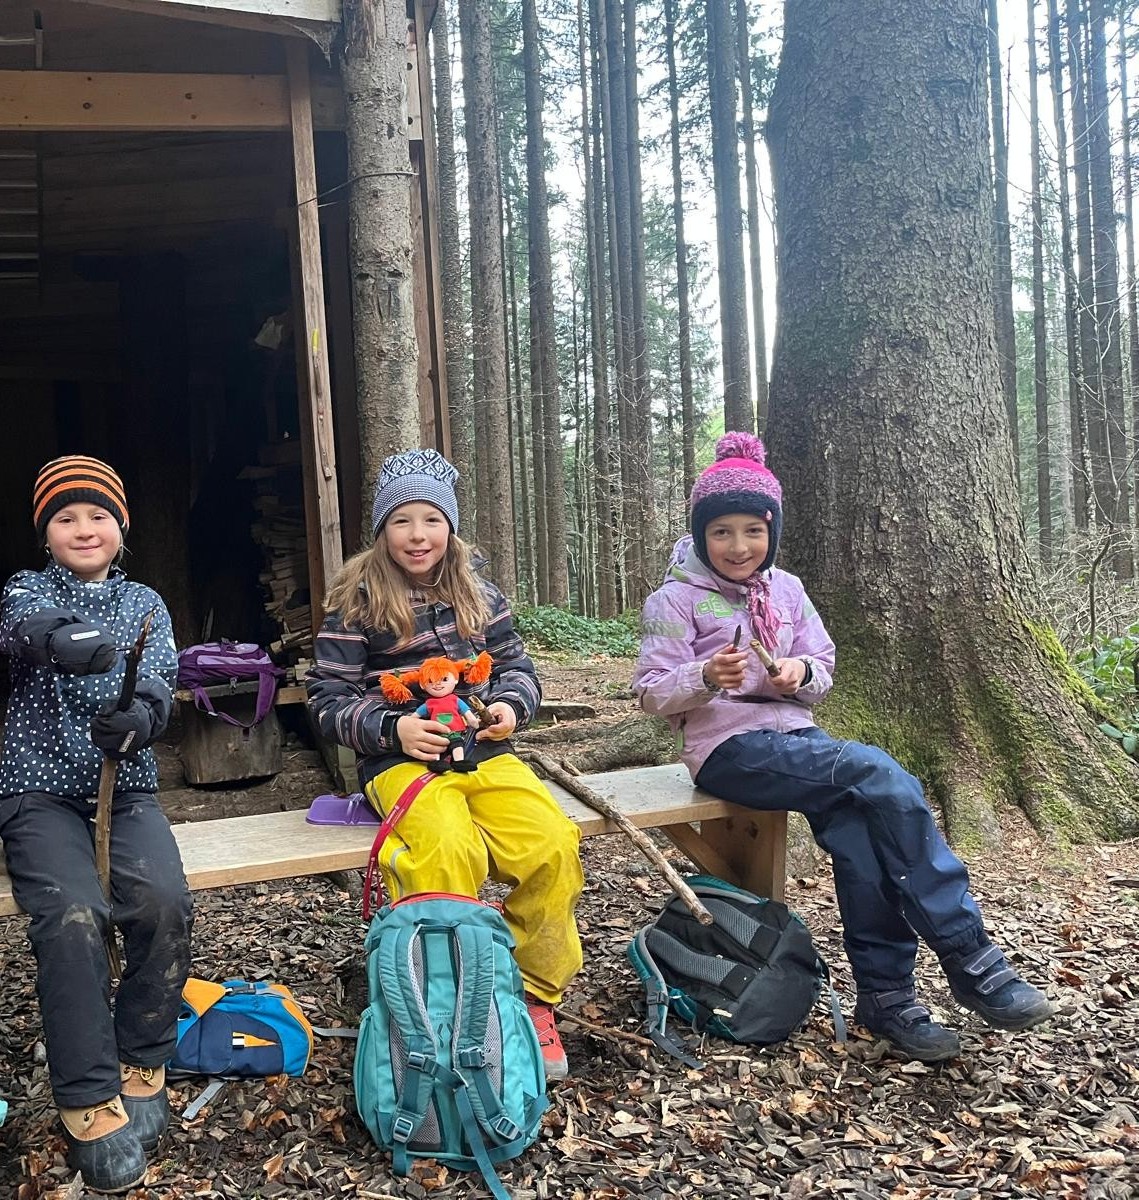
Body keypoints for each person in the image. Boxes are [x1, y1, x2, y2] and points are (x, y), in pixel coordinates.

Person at [632, 432, 1054, 1063]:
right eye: (721, 532)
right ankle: (970, 954)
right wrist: (704, 677)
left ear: (772, 532)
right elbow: (650, 691)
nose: (739, 546)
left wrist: (799, 673)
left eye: (753, 530)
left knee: (860, 833)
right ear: (700, 534)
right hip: (728, 750)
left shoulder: (787, 590)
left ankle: (887, 999)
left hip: (797, 740)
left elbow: (822, 666)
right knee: (876, 771)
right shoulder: (674, 599)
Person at [307, 448, 584, 1079]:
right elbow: (326, 701)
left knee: (551, 843)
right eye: (401, 521)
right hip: (398, 760)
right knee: (446, 850)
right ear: (382, 531)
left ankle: (534, 995)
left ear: (450, 527)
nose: (418, 535)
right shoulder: (355, 602)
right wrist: (394, 729)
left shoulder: (479, 593)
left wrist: (510, 707)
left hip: (484, 750)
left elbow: (517, 669)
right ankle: (443, 1002)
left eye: (431, 520)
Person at [0, 456, 192, 1192]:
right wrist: (63, 638)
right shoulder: (25, 590)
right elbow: (22, 628)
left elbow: (161, 682)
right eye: (66, 517)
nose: (84, 528)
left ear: (121, 526)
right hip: (37, 794)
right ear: (45, 532)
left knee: (164, 901)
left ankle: (143, 1057)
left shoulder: (146, 602)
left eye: (98, 514)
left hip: (127, 791)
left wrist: (140, 718)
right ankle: (86, 1097)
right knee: (73, 915)